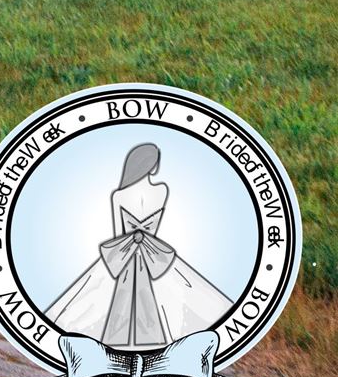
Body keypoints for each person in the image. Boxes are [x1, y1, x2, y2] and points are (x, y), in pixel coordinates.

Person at [42, 143, 236, 350]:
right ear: (152, 164)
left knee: (97, 292)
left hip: (126, 249)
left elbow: (118, 233)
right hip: (154, 252)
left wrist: (122, 254)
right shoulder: (162, 190)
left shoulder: (119, 195)